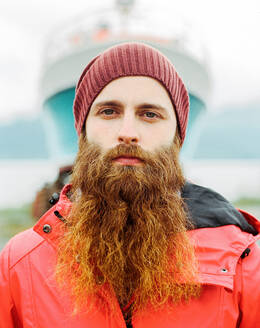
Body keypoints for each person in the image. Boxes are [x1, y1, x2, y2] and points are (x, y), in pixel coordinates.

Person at [0, 42, 260, 328]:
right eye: (109, 112)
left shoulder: (243, 263)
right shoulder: (18, 265)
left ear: (177, 138)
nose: (127, 133)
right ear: (83, 132)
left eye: (150, 114)